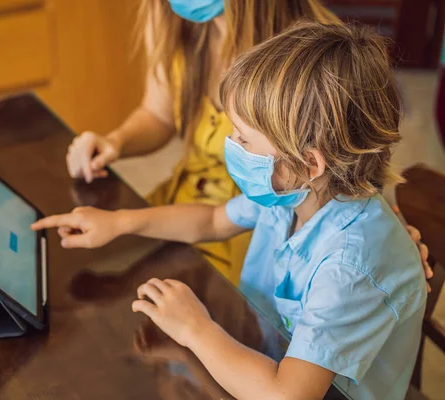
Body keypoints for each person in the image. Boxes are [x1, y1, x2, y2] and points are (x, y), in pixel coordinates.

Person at [34, 22, 427, 399]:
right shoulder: (292, 193)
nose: (231, 145)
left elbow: (287, 394)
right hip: (260, 358)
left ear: (309, 164)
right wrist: (119, 222)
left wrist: (196, 329)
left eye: (244, 139)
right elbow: (213, 220)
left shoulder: (350, 265)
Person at [65, 0, 339, 284]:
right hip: (193, 209)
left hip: (254, 220)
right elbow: (158, 114)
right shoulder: (173, 24)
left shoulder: (315, 55)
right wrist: (115, 141)